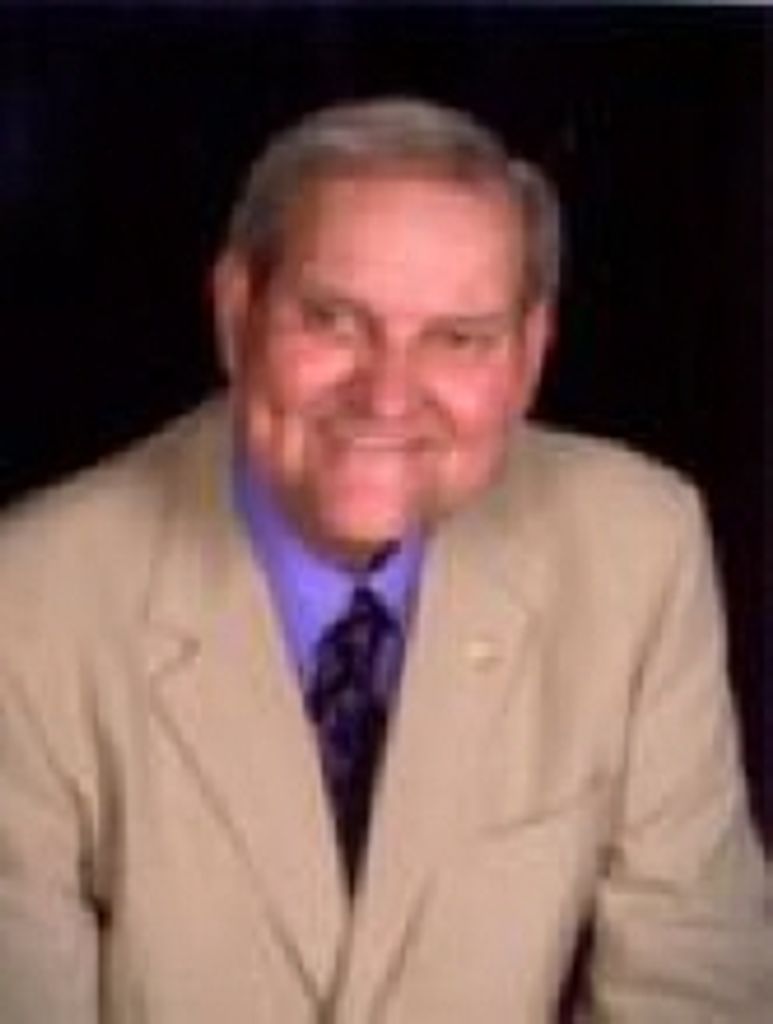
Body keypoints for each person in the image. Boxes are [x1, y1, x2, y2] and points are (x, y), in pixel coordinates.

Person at [0, 97, 767, 1023]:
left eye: (458, 338)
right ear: (237, 312)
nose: (387, 394)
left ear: (529, 355)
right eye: (333, 320)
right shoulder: (30, 599)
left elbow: (694, 981)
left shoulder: (637, 547)